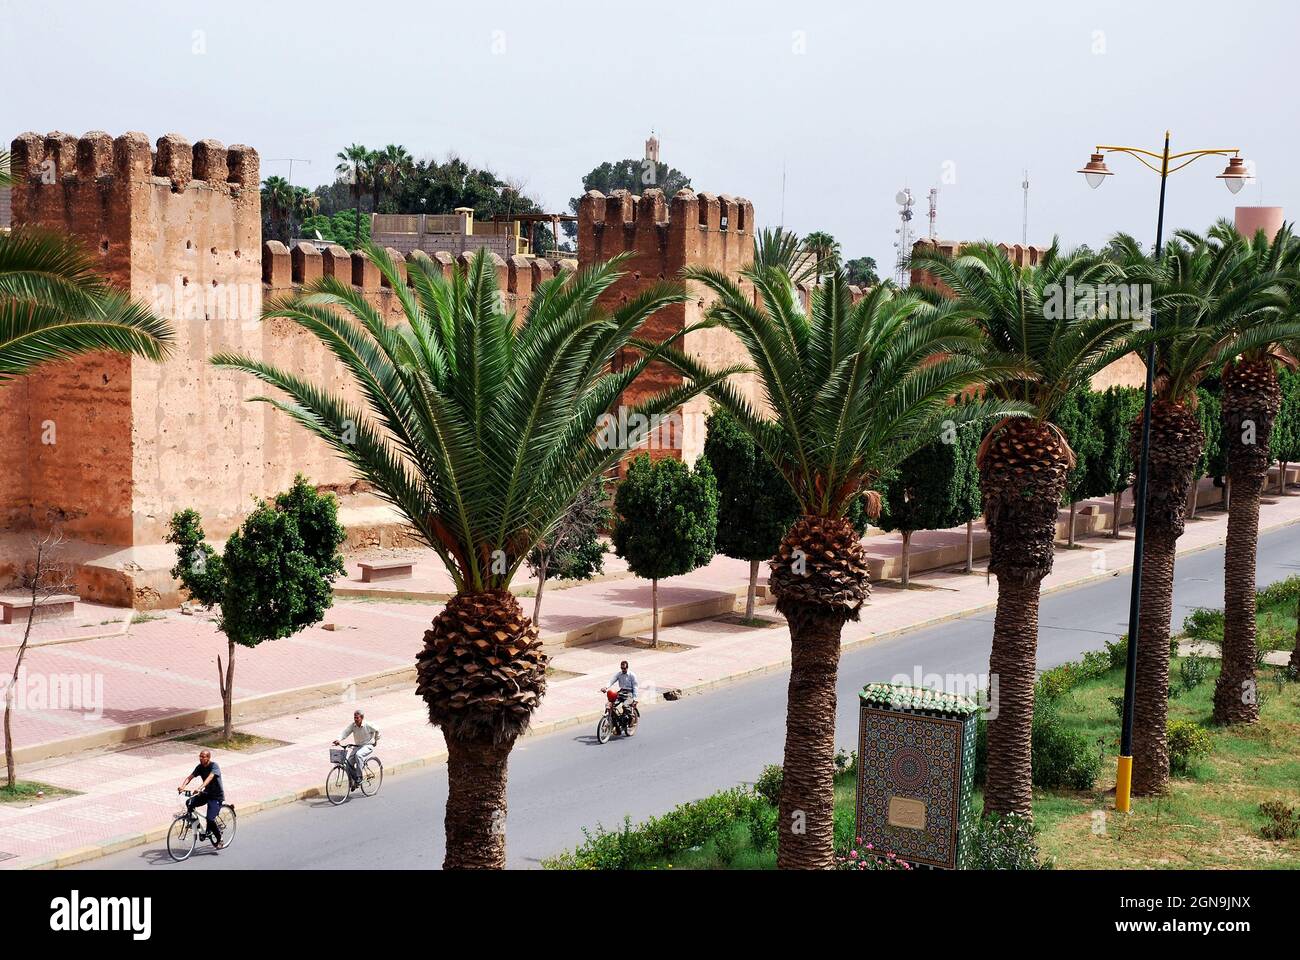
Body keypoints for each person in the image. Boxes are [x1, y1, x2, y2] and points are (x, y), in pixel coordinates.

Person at [178, 749, 225, 846]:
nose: (201, 758)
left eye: (203, 757)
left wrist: (200, 788)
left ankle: (220, 839)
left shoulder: (214, 766)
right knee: (189, 803)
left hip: (216, 796)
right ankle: (200, 829)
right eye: (200, 756)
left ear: (208, 758)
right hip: (206, 793)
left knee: (210, 819)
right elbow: (190, 777)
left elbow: (210, 778)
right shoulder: (200, 767)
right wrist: (183, 786)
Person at [333, 709, 381, 788]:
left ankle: (359, 777)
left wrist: (376, 740)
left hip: (368, 745)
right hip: (358, 746)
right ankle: (354, 781)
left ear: (362, 718)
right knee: (348, 764)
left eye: (357, 718)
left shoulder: (367, 725)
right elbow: (345, 732)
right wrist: (338, 739)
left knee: (358, 755)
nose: (355, 719)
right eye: (354, 718)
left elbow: (377, 729)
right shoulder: (353, 725)